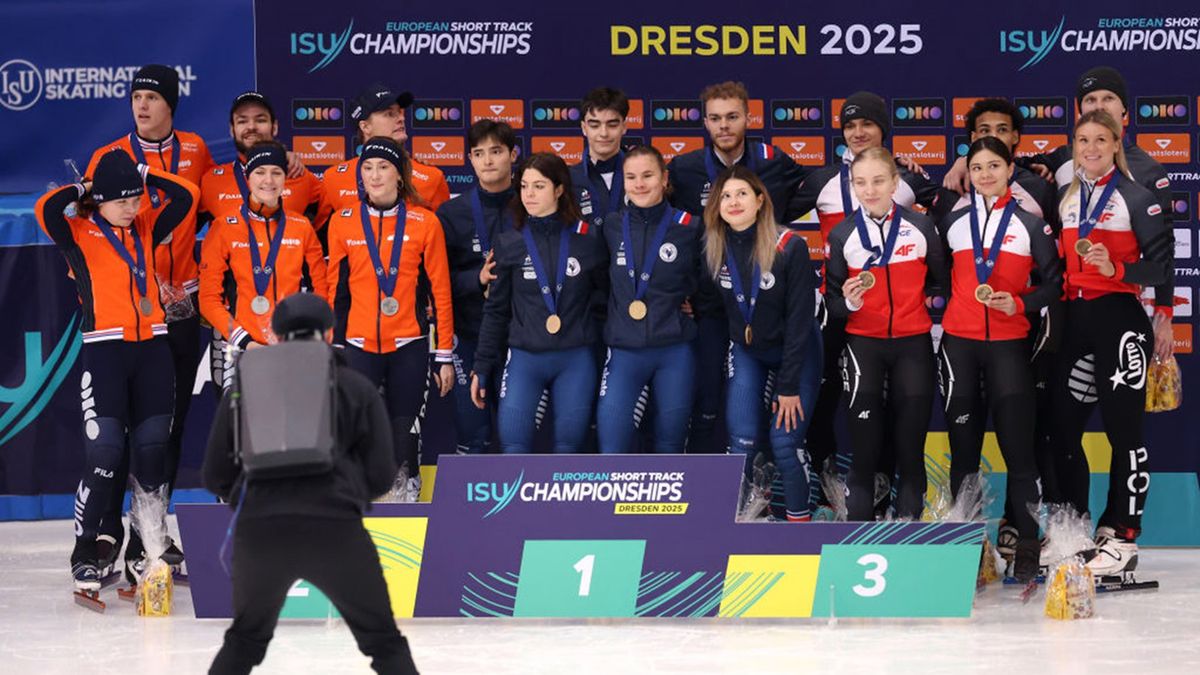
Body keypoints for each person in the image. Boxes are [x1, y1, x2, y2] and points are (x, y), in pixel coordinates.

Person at [203, 293, 419, 675]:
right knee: (384, 644)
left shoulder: (244, 386)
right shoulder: (355, 386)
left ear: (276, 334)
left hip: (260, 532)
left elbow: (215, 474)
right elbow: (382, 474)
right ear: (329, 332)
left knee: (244, 642)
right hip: (335, 528)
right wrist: (346, 493)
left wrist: (252, 498)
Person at [36, 150, 198, 591]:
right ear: (100, 201)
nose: (133, 206)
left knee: (152, 455)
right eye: (122, 200)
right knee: (105, 454)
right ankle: (86, 548)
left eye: (136, 197)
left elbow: (187, 195)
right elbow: (44, 208)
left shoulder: (146, 226)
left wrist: (143, 173)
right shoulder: (77, 232)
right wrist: (86, 187)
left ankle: (144, 547)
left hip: (153, 350)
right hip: (104, 352)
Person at [85, 64, 213, 573]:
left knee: (165, 428)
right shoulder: (106, 157)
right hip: (127, 314)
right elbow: (86, 235)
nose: (141, 105)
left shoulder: (198, 150)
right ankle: (107, 532)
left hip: (178, 311)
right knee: (117, 431)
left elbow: (197, 202)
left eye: (152, 98)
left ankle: (150, 531)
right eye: (136, 96)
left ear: (170, 105)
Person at [789, 91, 939, 498]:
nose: (858, 133)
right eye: (850, 126)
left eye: (866, 125)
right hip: (839, 309)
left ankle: (885, 485)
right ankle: (828, 491)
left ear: (882, 130)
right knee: (825, 400)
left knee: (895, 405)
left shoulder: (905, 181)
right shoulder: (821, 180)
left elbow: (949, 208)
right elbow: (770, 217)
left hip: (895, 320)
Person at [1050, 110, 1171, 576]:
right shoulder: (1065, 197)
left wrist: (1116, 271)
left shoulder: (1138, 198)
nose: (1092, 148)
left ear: (1117, 144)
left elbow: (1161, 270)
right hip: (1075, 320)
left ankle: (1124, 535)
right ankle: (1075, 528)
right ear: (1075, 146)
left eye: (1101, 139)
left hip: (1119, 320)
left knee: (1125, 434)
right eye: (1083, 140)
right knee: (1062, 428)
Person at [937, 136, 1063, 581]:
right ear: (967, 174)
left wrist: (1021, 304)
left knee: (1019, 452)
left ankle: (1027, 547)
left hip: (1010, 346)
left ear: (1010, 169)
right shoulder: (951, 221)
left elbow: (1055, 287)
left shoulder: (1031, 224)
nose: (985, 175)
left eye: (994, 166)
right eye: (977, 168)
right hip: (959, 346)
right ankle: (969, 551)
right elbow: (934, 277)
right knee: (963, 455)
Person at [668, 81, 809, 454]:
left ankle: (761, 487)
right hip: (712, 308)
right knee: (708, 400)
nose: (724, 126)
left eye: (732, 117)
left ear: (748, 117)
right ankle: (701, 490)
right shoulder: (683, 169)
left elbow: (826, 183)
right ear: (706, 123)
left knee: (767, 409)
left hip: (766, 307)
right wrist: (678, 290)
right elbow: (651, 221)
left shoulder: (772, 161)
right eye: (715, 119)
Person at [326, 137, 455, 499]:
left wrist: (443, 353)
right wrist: (333, 346)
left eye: (383, 167)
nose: (374, 175)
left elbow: (440, 292)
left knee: (404, 431)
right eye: (367, 168)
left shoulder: (424, 222)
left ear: (400, 175)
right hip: (357, 343)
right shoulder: (343, 222)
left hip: (409, 344)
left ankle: (406, 501)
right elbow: (336, 291)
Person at [825, 146, 948, 521]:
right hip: (864, 348)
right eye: (860, 182)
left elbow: (941, 283)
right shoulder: (844, 235)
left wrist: (920, 307)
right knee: (864, 453)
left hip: (913, 346)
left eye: (879, 180)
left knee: (910, 451)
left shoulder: (922, 227)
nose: (870, 190)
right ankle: (856, 546)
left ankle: (907, 548)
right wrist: (849, 304)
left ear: (895, 183)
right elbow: (832, 302)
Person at [698, 166, 823, 519]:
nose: (733, 202)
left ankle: (799, 528)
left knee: (784, 445)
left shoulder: (789, 246)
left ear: (759, 200)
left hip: (795, 353)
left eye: (741, 194)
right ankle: (740, 527)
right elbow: (711, 304)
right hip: (747, 351)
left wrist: (788, 385)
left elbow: (800, 322)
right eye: (725, 196)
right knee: (742, 444)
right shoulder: (713, 248)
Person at [470, 153, 608, 453]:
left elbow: (607, 297)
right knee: (513, 445)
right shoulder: (509, 242)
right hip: (524, 358)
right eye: (524, 186)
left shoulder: (588, 239)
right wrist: (481, 366)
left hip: (576, 358)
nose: (529, 194)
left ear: (559, 190)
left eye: (539, 186)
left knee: (569, 448)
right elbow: (495, 311)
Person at [596, 145, 702, 453]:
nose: (639, 184)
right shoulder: (612, 226)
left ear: (664, 178)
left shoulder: (689, 226)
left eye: (647, 176)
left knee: (670, 443)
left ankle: (667, 504)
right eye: (631, 177)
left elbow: (707, 281)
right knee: (611, 444)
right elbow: (596, 281)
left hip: (674, 350)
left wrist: (695, 303)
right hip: (624, 349)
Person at [199, 141, 328, 381]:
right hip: (240, 347)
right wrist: (244, 340)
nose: (268, 181)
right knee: (242, 418)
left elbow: (321, 289)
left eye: (276, 172)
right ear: (248, 177)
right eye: (259, 172)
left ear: (284, 179)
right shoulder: (223, 228)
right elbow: (208, 299)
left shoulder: (301, 228)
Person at [437, 120, 520, 453]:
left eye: (496, 152)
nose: (488, 161)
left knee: (518, 434)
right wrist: (477, 279)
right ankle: (468, 505)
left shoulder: (533, 204)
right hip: (469, 336)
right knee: (473, 433)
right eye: (479, 153)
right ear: (469, 159)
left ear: (513, 155)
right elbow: (437, 283)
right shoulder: (452, 213)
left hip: (521, 339)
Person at [318, 83, 450, 228]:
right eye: (389, 114)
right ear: (365, 127)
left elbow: (443, 241)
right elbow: (322, 240)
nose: (401, 118)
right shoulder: (333, 178)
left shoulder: (432, 177)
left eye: (399, 112)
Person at [570, 87, 631, 228]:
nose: (603, 133)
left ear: (624, 127)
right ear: (584, 128)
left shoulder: (642, 177)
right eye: (595, 125)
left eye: (612, 125)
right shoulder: (567, 179)